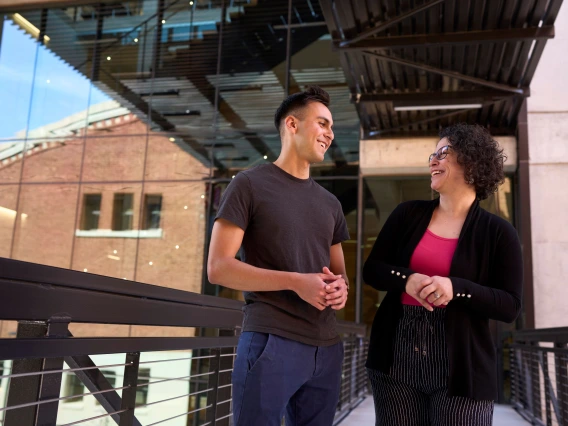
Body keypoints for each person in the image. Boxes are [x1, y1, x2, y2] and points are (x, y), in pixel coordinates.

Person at [207, 86, 350, 426]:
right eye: (322, 123)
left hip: (327, 347)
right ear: (292, 124)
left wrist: (341, 289)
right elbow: (218, 267)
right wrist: (295, 282)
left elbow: (341, 274)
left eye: (331, 127)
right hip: (271, 342)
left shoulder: (331, 203)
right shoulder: (249, 184)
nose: (330, 134)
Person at [363, 123, 523, 426]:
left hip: (464, 364)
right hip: (395, 355)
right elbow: (373, 270)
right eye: (432, 155)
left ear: (471, 161)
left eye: (443, 153)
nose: (433, 161)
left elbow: (510, 305)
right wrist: (407, 280)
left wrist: (456, 288)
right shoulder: (406, 214)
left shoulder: (499, 233)